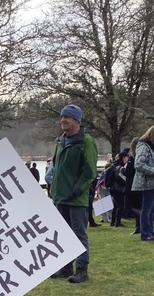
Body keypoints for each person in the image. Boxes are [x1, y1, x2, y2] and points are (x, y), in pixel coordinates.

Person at [49, 104, 98, 283]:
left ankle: (82, 269)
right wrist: (54, 189)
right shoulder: (61, 141)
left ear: (77, 120)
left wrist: (76, 190)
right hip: (60, 197)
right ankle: (66, 267)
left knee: (79, 235)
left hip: (77, 199)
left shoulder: (87, 141)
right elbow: (56, 168)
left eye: (67, 117)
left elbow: (90, 172)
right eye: (62, 117)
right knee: (63, 234)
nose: (63, 120)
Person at [132, 126, 154, 241]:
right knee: (147, 209)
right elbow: (139, 164)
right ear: (150, 136)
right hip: (147, 183)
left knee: (151, 210)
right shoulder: (143, 147)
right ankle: (146, 234)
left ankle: (150, 232)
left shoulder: (151, 148)